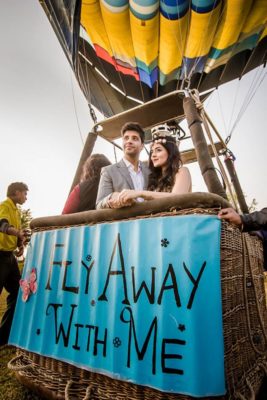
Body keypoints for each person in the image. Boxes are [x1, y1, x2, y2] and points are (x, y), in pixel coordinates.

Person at [116, 124, 192, 206]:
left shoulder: (182, 171)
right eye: (152, 152)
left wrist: (140, 193)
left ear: (170, 152)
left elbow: (177, 198)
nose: (153, 155)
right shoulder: (154, 180)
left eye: (158, 150)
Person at [96, 122, 150, 209]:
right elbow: (99, 205)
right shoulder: (108, 171)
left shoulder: (150, 170)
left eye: (135, 138)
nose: (129, 141)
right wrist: (111, 197)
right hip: (125, 221)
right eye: (126, 138)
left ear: (142, 146)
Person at [0, 182, 28, 346]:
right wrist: (17, 232)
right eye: (24, 193)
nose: (26, 197)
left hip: (9, 258)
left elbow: (18, 231)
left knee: (18, 293)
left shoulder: (16, 211)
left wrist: (20, 245)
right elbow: (2, 225)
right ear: (16, 192)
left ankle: (3, 337)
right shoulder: (4, 205)